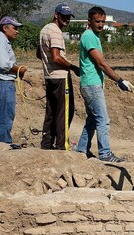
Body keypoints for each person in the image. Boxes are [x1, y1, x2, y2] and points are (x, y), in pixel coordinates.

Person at [75, 6, 134, 163]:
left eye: (102, 21)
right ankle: (105, 154)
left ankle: (81, 149)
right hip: (92, 85)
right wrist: (119, 80)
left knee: (93, 120)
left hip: (91, 84)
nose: (101, 24)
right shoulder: (89, 37)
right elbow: (101, 63)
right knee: (103, 120)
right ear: (90, 21)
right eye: (97, 21)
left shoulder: (93, 36)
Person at [37, 3, 80, 150]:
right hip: (60, 77)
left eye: (68, 17)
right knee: (64, 112)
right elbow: (56, 57)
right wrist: (73, 67)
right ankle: (62, 146)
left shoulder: (44, 29)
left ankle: (47, 144)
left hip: (49, 76)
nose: (67, 19)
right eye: (64, 16)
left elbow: (39, 54)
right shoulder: (55, 31)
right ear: (57, 15)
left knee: (51, 112)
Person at [0, 16, 27, 146]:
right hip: (2, 82)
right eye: (14, 28)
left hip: (1, 81)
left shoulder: (2, 40)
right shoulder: (0, 41)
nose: (17, 31)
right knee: (5, 115)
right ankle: (4, 144)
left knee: (1, 114)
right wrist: (19, 70)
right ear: (5, 28)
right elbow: (4, 65)